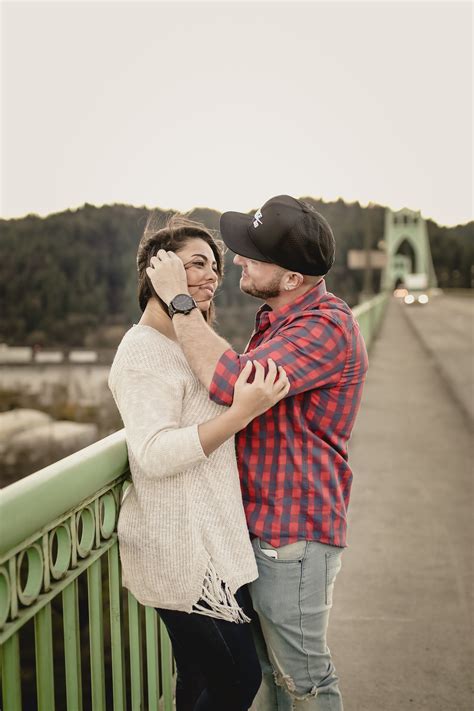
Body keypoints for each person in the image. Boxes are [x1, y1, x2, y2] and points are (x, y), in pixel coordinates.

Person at [146, 195, 369, 711]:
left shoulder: (325, 327)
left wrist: (180, 302)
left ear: (291, 278)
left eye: (252, 253)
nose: (237, 259)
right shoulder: (280, 319)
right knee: (272, 675)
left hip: (292, 534)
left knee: (304, 678)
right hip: (264, 529)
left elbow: (228, 381)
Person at [108, 214, 290, 711]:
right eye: (194, 265)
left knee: (196, 679)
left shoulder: (187, 344)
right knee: (238, 681)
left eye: (213, 265)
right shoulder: (143, 352)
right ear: (158, 274)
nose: (211, 275)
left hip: (214, 546)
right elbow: (153, 453)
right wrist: (240, 415)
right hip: (182, 554)